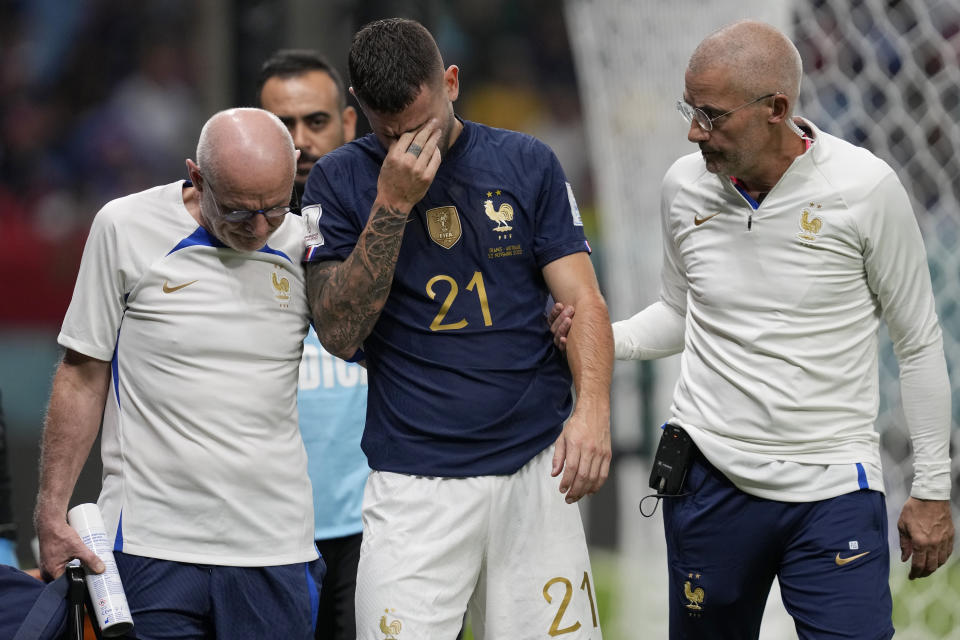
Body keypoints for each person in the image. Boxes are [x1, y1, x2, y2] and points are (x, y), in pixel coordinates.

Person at [552, 19, 954, 639]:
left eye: (711, 116)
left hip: (832, 487)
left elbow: (919, 341)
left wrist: (931, 487)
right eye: (690, 110)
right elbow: (681, 313)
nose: (693, 132)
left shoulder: (865, 189)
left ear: (777, 109)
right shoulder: (683, 187)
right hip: (709, 480)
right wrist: (602, 334)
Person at [302, 17, 614, 640]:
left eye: (422, 125)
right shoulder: (339, 180)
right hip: (415, 484)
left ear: (451, 82)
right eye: (390, 133)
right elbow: (338, 332)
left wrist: (593, 411)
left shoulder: (528, 162)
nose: (409, 146)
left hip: (534, 470)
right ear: (361, 111)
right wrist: (391, 204)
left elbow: (584, 300)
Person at [33, 107, 325, 639]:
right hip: (150, 547)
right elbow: (81, 373)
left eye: (274, 209)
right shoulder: (124, 226)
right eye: (239, 212)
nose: (259, 228)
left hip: (275, 546)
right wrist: (51, 513)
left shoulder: (307, 240)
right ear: (196, 177)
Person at [256, 49, 366, 640]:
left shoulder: (393, 222)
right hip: (265, 526)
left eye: (316, 121)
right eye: (282, 126)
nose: (300, 142)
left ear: (349, 123)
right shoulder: (226, 242)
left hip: (378, 519)